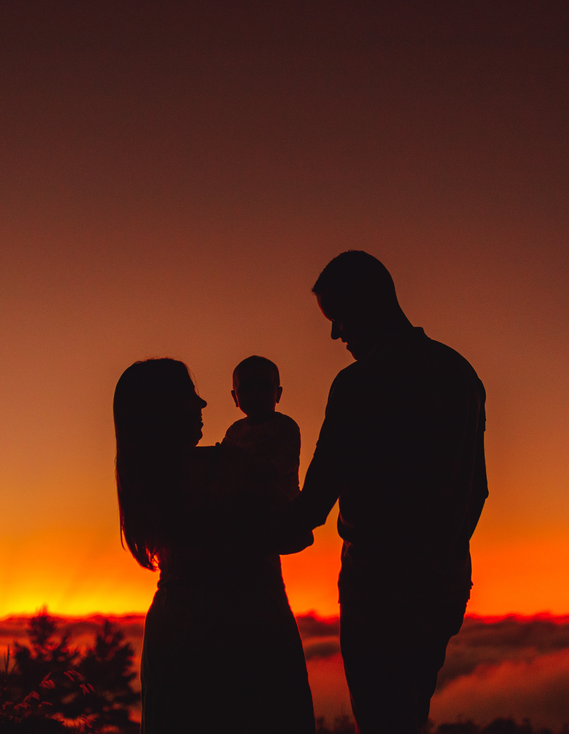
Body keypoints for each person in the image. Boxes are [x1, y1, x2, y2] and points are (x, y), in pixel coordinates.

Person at [293, 251, 488, 734]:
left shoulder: (359, 383)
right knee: (409, 713)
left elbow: (314, 501)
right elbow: (478, 490)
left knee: (382, 718)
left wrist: (237, 526)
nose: (335, 334)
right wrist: (444, 553)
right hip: (444, 582)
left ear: (370, 302)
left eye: (339, 317)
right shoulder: (459, 373)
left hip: (377, 586)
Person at [114, 358, 315, 734]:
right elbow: (297, 536)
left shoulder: (144, 479)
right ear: (169, 409)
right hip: (249, 627)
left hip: (173, 631)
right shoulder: (230, 464)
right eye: (191, 395)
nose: (203, 403)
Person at [221, 355, 301, 500]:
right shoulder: (235, 431)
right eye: (246, 388)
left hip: (283, 502)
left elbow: (288, 459)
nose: (255, 394)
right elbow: (223, 458)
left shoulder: (286, 426)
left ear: (278, 394)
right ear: (235, 397)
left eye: (264, 387)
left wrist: (269, 470)